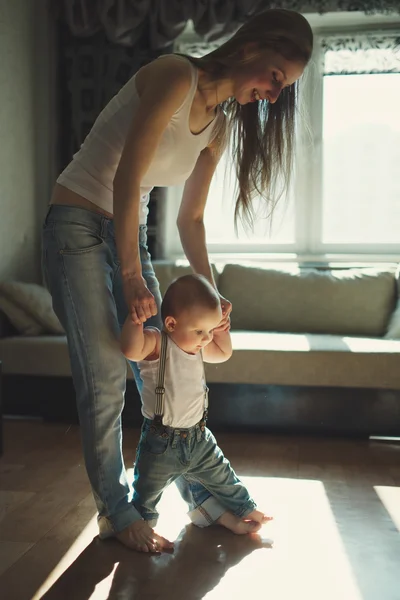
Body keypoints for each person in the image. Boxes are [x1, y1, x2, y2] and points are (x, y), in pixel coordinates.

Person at [42, 8, 313, 553]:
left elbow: (190, 218)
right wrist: (130, 273)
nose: (273, 95)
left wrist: (212, 303)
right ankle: (117, 514)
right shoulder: (174, 75)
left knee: (160, 373)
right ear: (254, 46)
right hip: (75, 226)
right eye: (277, 77)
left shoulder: (222, 124)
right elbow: (127, 175)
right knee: (106, 378)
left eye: (285, 88)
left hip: (128, 233)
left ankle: (204, 500)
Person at [120, 274, 272, 535]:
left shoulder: (198, 347)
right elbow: (131, 350)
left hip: (200, 439)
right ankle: (143, 528)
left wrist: (221, 330)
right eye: (200, 331)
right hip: (160, 444)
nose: (205, 338)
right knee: (146, 491)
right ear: (171, 323)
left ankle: (245, 510)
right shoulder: (158, 343)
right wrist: (136, 321)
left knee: (224, 478)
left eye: (210, 331)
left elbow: (223, 353)